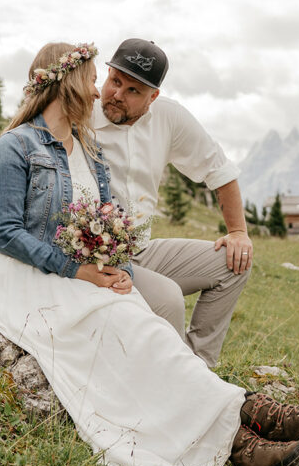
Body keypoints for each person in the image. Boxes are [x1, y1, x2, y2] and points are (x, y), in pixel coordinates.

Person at [0, 42, 299, 466]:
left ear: (152, 97)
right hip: (41, 277)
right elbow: (7, 234)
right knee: (154, 316)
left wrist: (120, 270)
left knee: (161, 319)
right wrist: (83, 271)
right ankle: (242, 444)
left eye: (125, 88)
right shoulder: (18, 145)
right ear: (72, 82)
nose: (104, 94)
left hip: (101, 265)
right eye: (102, 80)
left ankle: (250, 412)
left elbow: (111, 216)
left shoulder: (89, 148)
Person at [93, 38, 252, 367]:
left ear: (153, 97)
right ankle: (180, 377)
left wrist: (238, 231)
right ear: (106, 73)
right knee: (167, 298)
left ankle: (199, 366)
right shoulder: (81, 112)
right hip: (95, 259)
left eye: (133, 91)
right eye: (115, 81)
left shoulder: (169, 117)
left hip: (142, 251)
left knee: (235, 263)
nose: (118, 95)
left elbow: (219, 170)